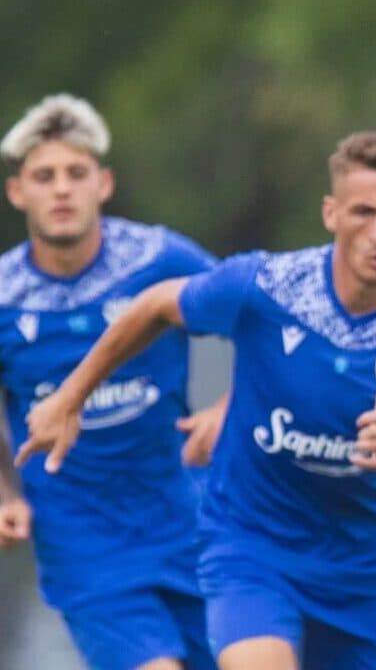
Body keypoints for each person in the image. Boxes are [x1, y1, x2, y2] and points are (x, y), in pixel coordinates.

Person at [19, 130, 376, 670]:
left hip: (361, 578)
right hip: (252, 551)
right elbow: (155, 305)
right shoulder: (266, 285)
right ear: (331, 214)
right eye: (363, 212)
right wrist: (70, 398)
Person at [0, 94, 220, 670]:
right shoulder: (3, 294)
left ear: (104, 183)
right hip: (84, 543)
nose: (62, 189)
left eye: (76, 173)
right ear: (17, 192)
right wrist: (4, 491)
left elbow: (246, 317)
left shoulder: (160, 257)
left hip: (188, 520)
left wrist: (226, 402)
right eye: (44, 177)